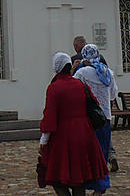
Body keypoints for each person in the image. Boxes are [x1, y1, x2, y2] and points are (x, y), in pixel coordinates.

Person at [39, 52, 110, 196]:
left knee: (55, 178)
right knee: (80, 177)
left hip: (63, 135)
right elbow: (94, 103)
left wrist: (44, 140)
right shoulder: (79, 84)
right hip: (84, 133)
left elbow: (50, 116)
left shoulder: (54, 87)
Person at [71, 36, 119, 172]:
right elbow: (114, 93)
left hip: (88, 114)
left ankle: (90, 170)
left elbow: (72, 88)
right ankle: (103, 170)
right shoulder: (107, 72)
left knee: (88, 145)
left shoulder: (82, 72)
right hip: (105, 115)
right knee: (103, 144)